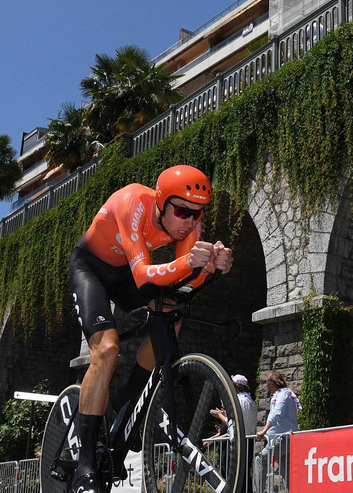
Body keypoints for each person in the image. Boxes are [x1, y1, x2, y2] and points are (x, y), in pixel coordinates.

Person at [68, 165, 233, 493]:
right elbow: (144, 274)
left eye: (198, 214)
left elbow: (187, 281)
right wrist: (190, 263)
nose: (190, 220)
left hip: (126, 274)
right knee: (107, 348)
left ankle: (129, 394)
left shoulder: (187, 225)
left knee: (172, 315)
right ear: (161, 202)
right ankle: (84, 466)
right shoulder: (134, 201)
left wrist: (211, 266)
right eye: (183, 210)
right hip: (92, 268)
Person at [254, 370, 300, 493]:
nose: (266, 386)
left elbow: (277, 414)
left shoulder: (283, 395)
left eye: (266, 382)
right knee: (286, 468)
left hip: (281, 438)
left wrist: (264, 431)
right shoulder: (285, 394)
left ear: (271, 382)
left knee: (260, 460)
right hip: (284, 438)